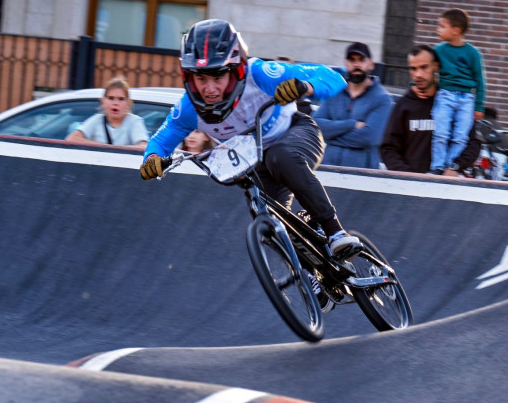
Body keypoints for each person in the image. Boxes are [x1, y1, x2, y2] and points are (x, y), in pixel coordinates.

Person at [140, 18, 361, 257]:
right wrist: (152, 158)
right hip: (256, 162)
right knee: (269, 226)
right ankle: (314, 277)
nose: (210, 89)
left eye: (217, 77)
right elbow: (161, 141)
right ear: (188, 77)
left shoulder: (260, 73)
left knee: (280, 156)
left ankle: (335, 231)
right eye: (201, 79)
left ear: (236, 71)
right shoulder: (188, 108)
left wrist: (304, 87)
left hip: (296, 134)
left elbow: (334, 77)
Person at [381, 45, 480, 176]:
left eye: (424, 67)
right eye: (413, 69)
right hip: (411, 188)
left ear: (436, 66)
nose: (418, 74)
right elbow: (388, 148)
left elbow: (473, 143)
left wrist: (455, 167)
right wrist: (408, 176)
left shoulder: (454, 103)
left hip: (448, 186)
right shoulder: (404, 104)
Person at [313, 42, 392, 170]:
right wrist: (351, 124)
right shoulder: (335, 92)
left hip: (362, 176)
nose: (356, 64)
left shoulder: (382, 98)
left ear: (371, 64)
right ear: (346, 63)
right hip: (328, 171)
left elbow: (370, 138)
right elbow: (315, 126)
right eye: (352, 60)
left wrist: (330, 136)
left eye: (361, 60)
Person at [429, 8, 486, 176]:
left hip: (466, 99)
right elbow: (428, 68)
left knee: (461, 136)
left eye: (442, 26)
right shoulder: (438, 50)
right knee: (441, 133)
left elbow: (480, 81)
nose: (438, 29)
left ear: (456, 30)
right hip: (445, 95)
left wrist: (479, 105)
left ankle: (451, 166)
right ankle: (437, 166)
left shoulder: (473, 53)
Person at [66, 76, 148, 149]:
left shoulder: (134, 121)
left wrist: (114, 150)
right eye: (111, 98)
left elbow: (143, 147)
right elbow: (72, 139)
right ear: (103, 102)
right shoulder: (97, 120)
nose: (115, 103)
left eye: (121, 99)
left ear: (128, 103)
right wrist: (103, 147)